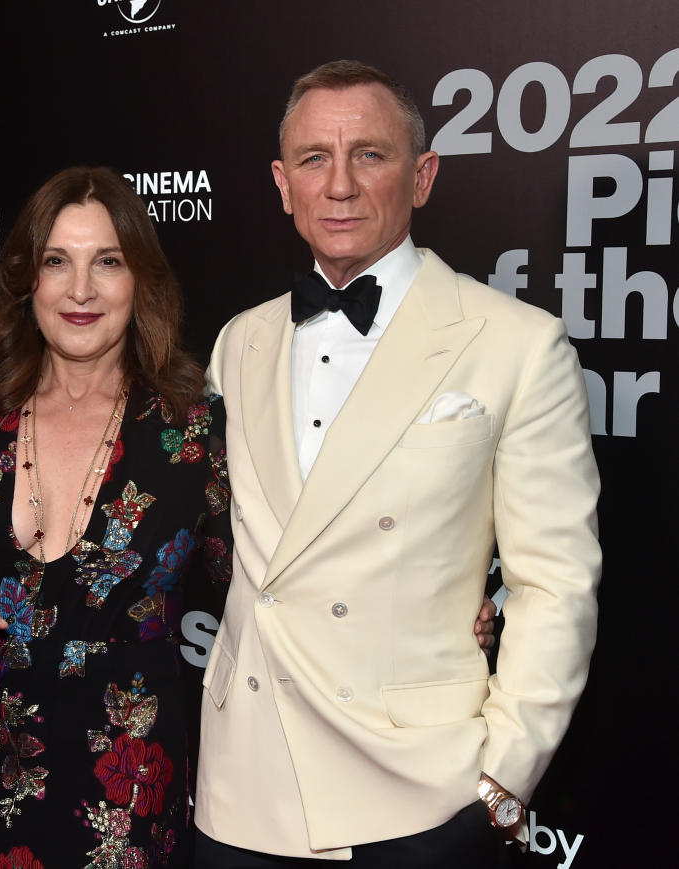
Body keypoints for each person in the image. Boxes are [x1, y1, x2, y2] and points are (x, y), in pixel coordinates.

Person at [195, 61, 601, 868]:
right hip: (243, 787)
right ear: (282, 185)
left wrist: (502, 777)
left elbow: (556, 581)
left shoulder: (517, 343)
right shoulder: (240, 341)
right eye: (314, 158)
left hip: (417, 791)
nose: (339, 185)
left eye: (370, 155)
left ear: (422, 176)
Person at [0, 166, 234, 867]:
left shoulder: (196, 433)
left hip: (121, 801)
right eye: (57, 262)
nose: (80, 290)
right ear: (29, 282)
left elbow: (273, 582)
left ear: (141, 278)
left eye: (106, 262)